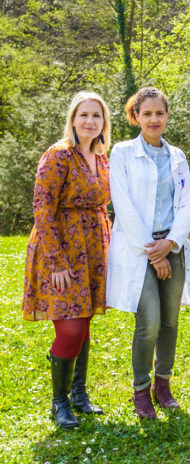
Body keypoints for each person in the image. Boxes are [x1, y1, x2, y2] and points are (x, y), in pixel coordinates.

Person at [107, 87, 190, 419]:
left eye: (159, 113)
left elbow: (188, 203)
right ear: (135, 117)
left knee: (170, 322)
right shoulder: (121, 153)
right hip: (140, 250)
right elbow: (124, 206)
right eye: (146, 113)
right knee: (148, 321)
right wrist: (154, 253)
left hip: (171, 246)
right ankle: (140, 390)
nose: (154, 119)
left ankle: (163, 385)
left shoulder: (177, 156)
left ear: (167, 116)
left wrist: (171, 244)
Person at [22, 91, 112, 428]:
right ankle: (59, 402)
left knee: (84, 322)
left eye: (97, 116)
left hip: (93, 249)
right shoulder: (58, 155)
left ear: (105, 123)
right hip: (60, 250)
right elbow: (42, 211)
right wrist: (57, 262)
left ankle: (79, 395)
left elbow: (103, 207)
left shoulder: (102, 159)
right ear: (73, 119)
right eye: (84, 115)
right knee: (71, 326)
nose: (90, 121)